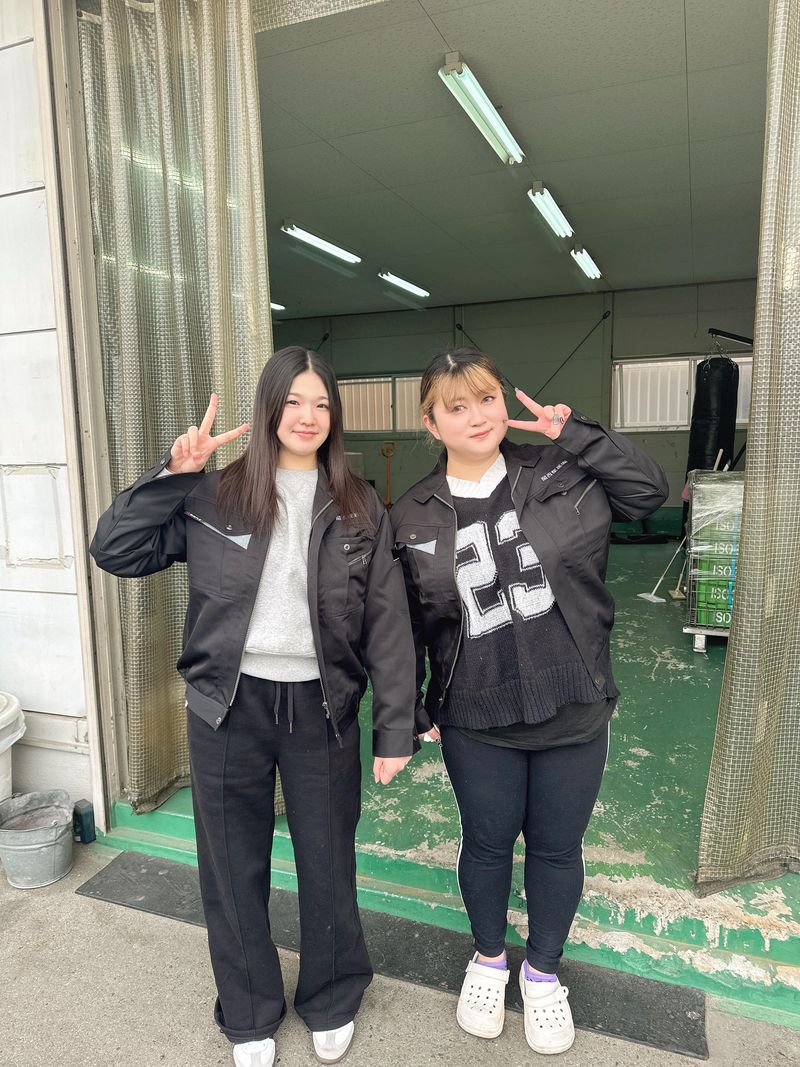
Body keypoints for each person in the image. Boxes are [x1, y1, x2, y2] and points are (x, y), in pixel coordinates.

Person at [90, 347, 418, 1067]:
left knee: (327, 862)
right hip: (226, 706)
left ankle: (332, 996)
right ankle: (248, 1012)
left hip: (322, 706)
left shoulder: (359, 504)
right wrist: (172, 474)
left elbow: (388, 620)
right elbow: (115, 549)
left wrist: (395, 726)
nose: (308, 415)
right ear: (269, 407)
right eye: (293, 400)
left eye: (322, 403)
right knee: (232, 868)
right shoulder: (215, 495)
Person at [390, 348, 668, 1056]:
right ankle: (488, 960)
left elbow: (648, 493)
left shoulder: (558, 472)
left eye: (486, 398)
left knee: (555, 847)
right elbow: (408, 622)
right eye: (457, 406)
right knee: (486, 843)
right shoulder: (413, 513)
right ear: (432, 423)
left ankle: (542, 973)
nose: (477, 416)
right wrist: (413, 708)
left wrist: (574, 434)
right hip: (475, 715)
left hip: (573, 703)